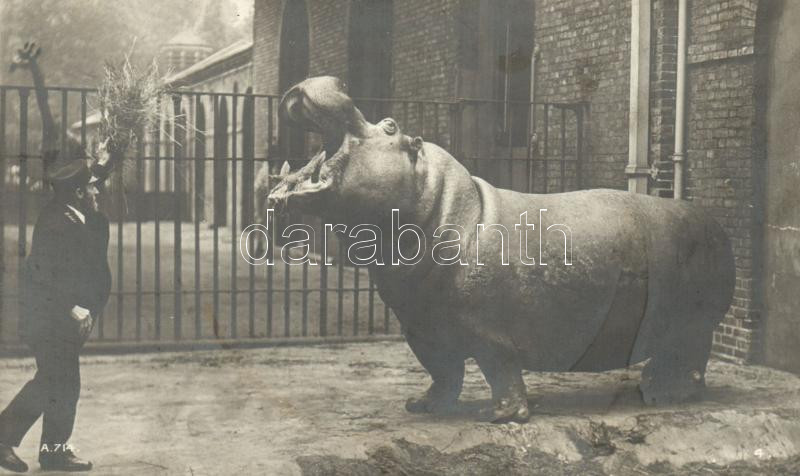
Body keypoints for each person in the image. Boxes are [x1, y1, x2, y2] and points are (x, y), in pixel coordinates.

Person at [0, 158, 112, 473]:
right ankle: (5, 437)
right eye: (92, 186)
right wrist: (71, 307)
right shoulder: (55, 223)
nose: (97, 190)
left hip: (60, 323)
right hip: (48, 320)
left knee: (64, 383)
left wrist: (106, 159)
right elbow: (41, 274)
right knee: (53, 381)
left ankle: (53, 451)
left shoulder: (75, 215)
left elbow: (97, 232)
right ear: (78, 192)